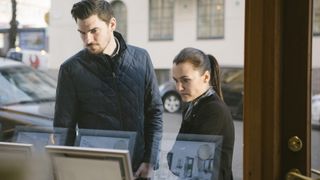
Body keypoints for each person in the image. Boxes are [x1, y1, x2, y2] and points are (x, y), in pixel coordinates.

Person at [53, 0, 163, 178]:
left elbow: (154, 112)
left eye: (93, 31)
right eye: (82, 33)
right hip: (95, 170)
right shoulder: (70, 70)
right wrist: (67, 170)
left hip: (138, 169)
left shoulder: (141, 58)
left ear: (112, 24)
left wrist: (150, 159)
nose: (87, 40)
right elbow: (64, 128)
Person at [170, 47, 235, 180]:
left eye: (185, 80)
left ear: (206, 77)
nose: (179, 88)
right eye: (176, 80)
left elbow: (183, 161)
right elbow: (175, 160)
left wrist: (177, 156)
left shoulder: (214, 110)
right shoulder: (193, 105)